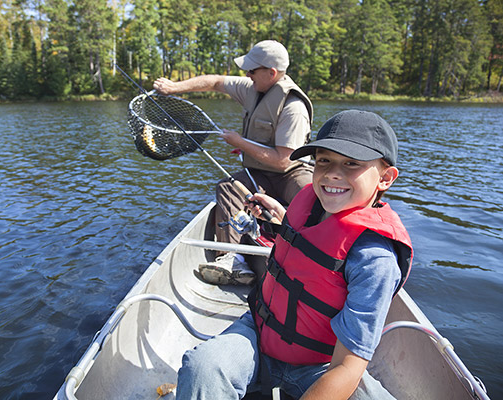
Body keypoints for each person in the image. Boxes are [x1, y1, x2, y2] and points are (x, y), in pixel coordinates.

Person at [174, 110, 414, 399]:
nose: (333, 173)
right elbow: (308, 251)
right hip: (260, 334)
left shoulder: (376, 260)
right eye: (324, 160)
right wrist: (280, 218)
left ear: (386, 178)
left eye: (352, 163)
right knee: (203, 368)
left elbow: (347, 367)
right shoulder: (310, 204)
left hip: (322, 363)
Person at [153, 40, 314, 286]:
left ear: (271, 73)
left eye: (252, 70)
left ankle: (316, 256)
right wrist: (175, 88)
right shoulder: (252, 87)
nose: (247, 75)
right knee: (228, 187)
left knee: (312, 197)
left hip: (292, 171)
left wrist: (240, 142)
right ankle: (231, 259)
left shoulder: (294, 107)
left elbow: (283, 161)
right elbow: (216, 82)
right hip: (259, 172)